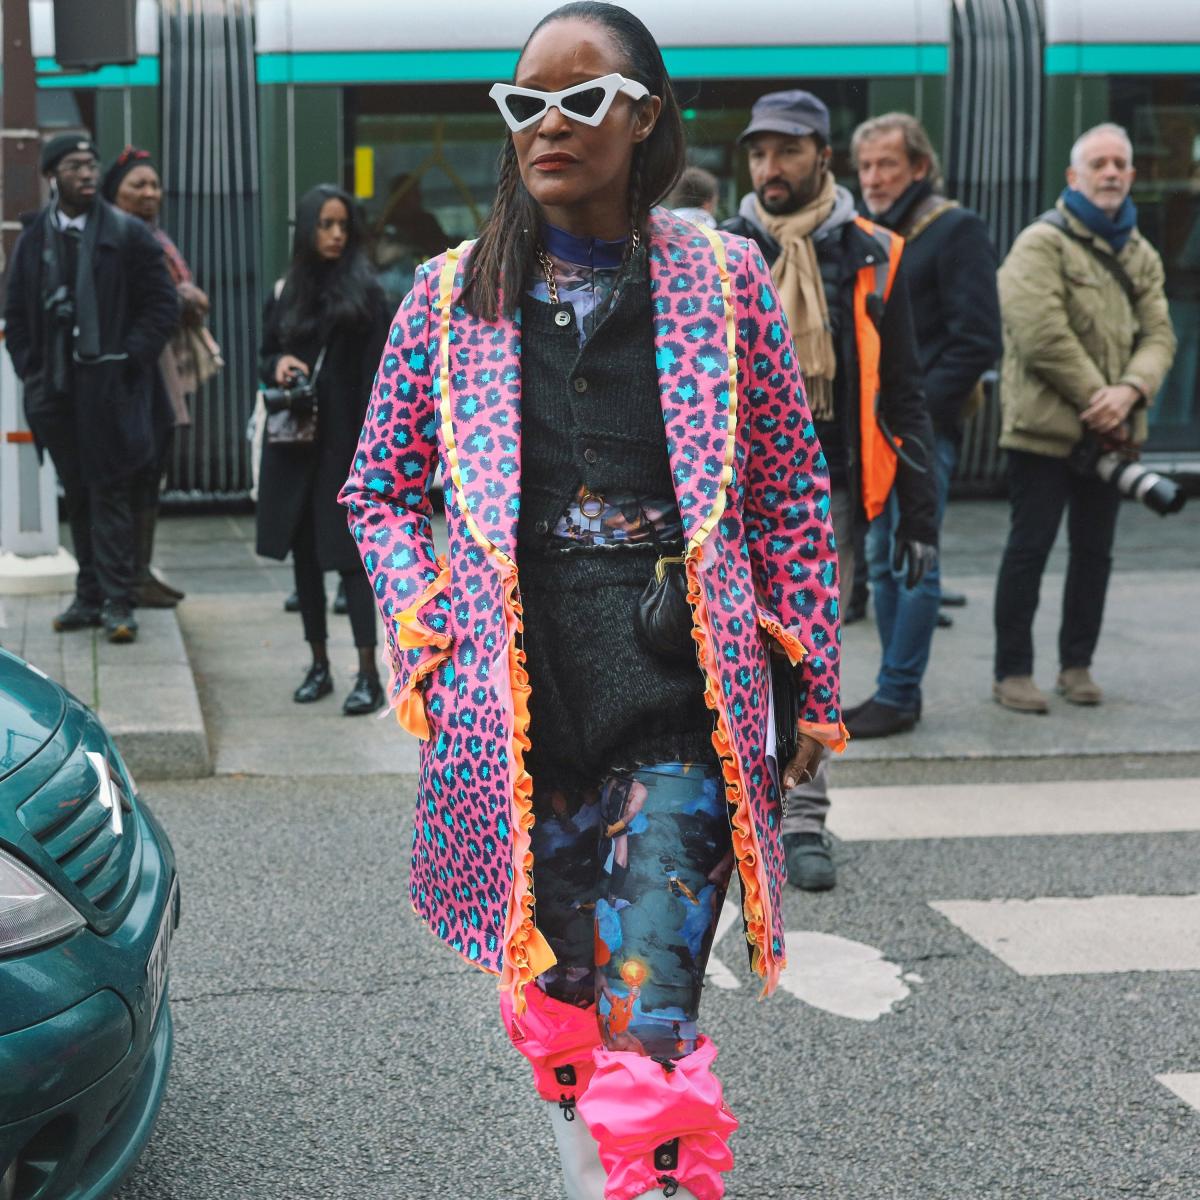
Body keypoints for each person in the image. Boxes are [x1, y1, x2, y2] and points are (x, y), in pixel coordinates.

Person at [339, 6, 844, 1196]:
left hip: (683, 701)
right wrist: (428, 619)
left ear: (645, 116)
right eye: (526, 104)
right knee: (563, 1002)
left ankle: (652, 1176)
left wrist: (810, 678)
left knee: (649, 1013)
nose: (548, 125)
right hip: (517, 714)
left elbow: (788, 496)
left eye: (580, 99)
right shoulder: (449, 296)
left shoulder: (722, 278)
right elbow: (381, 493)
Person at [721, 89, 938, 891]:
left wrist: (920, 511)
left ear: (823, 156)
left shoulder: (875, 249)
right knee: (725, 653)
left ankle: (805, 819)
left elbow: (904, 389)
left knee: (809, 653)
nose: (770, 168)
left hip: (831, 492)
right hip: (728, 494)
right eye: (757, 153)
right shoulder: (723, 249)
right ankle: (736, 815)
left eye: (786, 151)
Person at [992, 123, 1176, 712]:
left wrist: (1130, 390)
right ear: (1074, 177)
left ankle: (1077, 667)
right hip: (1044, 434)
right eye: (1098, 163)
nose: (1111, 172)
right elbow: (1040, 333)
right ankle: (1012, 673)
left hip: (1113, 432)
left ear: (1132, 175)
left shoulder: (1140, 252)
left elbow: (1160, 334)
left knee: (1095, 553)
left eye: (1120, 163)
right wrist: (1105, 398)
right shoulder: (1040, 244)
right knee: (1031, 548)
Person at [845, 113, 1002, 737]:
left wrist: (909, 415)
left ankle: (899, 693)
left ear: (918, 167)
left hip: (919, 433)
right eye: (865, 167)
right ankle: (894, 688)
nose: (875, 178)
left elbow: (977, 341)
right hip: (876, 431)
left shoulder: (954, 229)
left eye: (887, 164)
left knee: (911, 559)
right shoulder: (864, 234)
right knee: (883, 561)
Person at [3, 132, 179, 644]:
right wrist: (32, 371)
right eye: (74, 165)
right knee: (78, 496)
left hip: (112, 392)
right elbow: (15, 314)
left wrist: (128, 361)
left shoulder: (126, 234)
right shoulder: (34, 239)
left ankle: (119, 602)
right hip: (56, 393)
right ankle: (88, 595)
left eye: (91, 164)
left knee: (113, 495)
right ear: (51, 176)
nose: (86, 174)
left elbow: (161, 306)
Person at [256, 184, 392, 715]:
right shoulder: (286, 291)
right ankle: (319, 666)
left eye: (343, 226)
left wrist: (371, 452)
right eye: (325, 225)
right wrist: (279, 367)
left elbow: (381, 378)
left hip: (345, 446)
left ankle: (367, 675)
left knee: (351, 563)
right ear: (308, 230)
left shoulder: (368, 293)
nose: (335, 235)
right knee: (305, 562)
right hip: (294, 446)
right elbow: (265, 354)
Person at [102, 144, 216, 609]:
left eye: (153, 184)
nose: (150, 192)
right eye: (138, 185)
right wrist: (182, 297)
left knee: (152, 472)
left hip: (161, 366)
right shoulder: (115, 238)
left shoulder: (154, 236)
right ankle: (125, 579)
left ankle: (139, 572)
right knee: (134, 471)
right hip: (134, 370)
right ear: (116, 192)